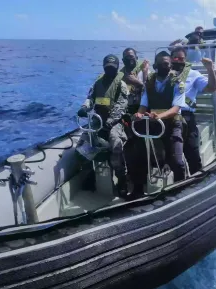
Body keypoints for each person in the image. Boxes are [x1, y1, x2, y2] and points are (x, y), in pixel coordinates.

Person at [126, 51, 186, 200]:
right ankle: (138, 190)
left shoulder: (178, 82)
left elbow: (176, 108)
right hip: (152, 124)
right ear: (155, 65)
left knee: (177, 162)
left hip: (172, 124)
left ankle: (181, 193)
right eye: (160, 64)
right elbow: (143, 104)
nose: (163, 66)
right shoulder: (149, 82)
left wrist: (159, 116)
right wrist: (139, 114)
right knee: (136, 155)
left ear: (171, 64)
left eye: (166, 63)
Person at [77, 54, 130, 197]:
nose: (110, 70)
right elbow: (90, 98)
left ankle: (122, 179)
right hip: (97, 120)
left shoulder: (121, 85)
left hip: (114, 122)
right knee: (82, 145)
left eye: (112, 68)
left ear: (117, 67)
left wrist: (111, 121)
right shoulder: (97, 83)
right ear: (103, 67)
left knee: (116, 144)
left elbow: (121, 105)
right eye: (107, 67)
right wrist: (84, 107)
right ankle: (90, 176)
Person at [170, 47, 216, 175]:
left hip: (186, 116)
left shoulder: (193, 74)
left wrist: (210, 68)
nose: (178, 61)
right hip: (167, 115)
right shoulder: (163, 74)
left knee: (192, 153)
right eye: (175, 58)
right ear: (170, 59)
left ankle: (196, 179)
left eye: (181, 58)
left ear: (186, 60)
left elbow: (212, 88)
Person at [119, 48, 150, 114]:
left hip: (142, 108)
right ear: (123, 60)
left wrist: (137, 82)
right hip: (126, 108)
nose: (129, 59)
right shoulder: (120, 75)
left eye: (131, 56)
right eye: (126, 57)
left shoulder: (144, 71)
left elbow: (151, 91)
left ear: (136, 58)